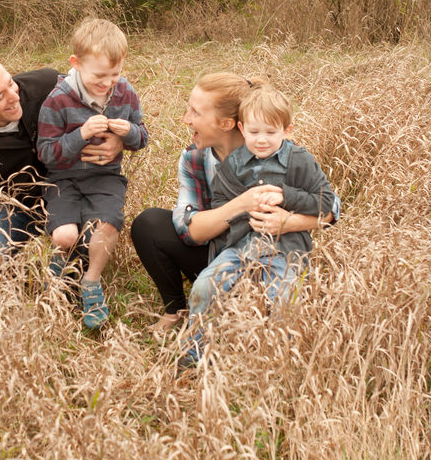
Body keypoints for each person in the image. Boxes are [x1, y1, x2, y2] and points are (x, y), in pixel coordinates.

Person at [129, 73, 333, 335]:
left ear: (226, 123)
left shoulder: (278, 153)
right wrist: (241, 204)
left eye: (195, 112)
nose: (186, 119)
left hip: (273, 256)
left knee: (275, 314)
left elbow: (330, 209)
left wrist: (289, 222)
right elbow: (188, 230)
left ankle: (257, 311)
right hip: (220, 254)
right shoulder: (194, 158)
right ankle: (177, 309)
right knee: (149, 224)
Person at [0, 48, 122, 282]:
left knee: (89, 242)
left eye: (10, 82)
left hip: (75, 187)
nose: (14, 96)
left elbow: (108, 97)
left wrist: (120, 139)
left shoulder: (47, 85)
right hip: (17, 206)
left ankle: (70, 271)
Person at [178, 83, 340, 366]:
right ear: (241, 129)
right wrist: (245, 207)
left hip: (284, 249)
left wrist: (286, 196)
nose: (261, 140)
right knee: (204, 286)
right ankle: (193, 354)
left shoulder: (298, 160)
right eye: (253, 132)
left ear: (287, 130)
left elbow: (325, 201)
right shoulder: (233, 165)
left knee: (283, 299)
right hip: (240, 247)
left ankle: (281, 362)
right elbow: (221, 206)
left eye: (270, 132)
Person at [36, 18, 149, 329]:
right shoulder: (58, 99)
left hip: (105, 177)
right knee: (66, 235)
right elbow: (45, 152)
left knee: (107, 226)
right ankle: (57, 273)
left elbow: (143, 137)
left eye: (115, 73)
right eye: (99, 75)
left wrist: (128, 134)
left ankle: (91, 282)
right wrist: (81, 134)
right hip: (63, 178)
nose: (108, 82)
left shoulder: (124, 93)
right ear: (76, 64)